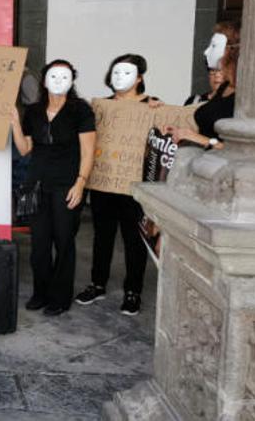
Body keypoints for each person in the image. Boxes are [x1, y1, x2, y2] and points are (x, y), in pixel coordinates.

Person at [74, 54, 158, 316]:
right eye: (116, 72)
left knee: (134, 240)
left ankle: (133, 291)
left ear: (140, 78)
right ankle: (97, 283)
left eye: (127, 72)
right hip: (103, 182)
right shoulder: (99, 107)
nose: (120, 77)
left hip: (134, 187)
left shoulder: (152, 107)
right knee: (102, 237)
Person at [11, 59, 96, 316]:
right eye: (53, 76)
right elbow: (25, 149)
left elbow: (88, 151)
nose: (58, 81)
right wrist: (15, 121)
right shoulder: (34, 111)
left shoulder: (81, 110)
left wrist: (80, 183)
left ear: (72, 80)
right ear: (44, 80)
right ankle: (41, 293)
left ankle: (60, 297)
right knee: (39, 243)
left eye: (65, 76)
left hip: (67, 184)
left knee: (64, 240)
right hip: (37, 183)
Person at [167, 21, 240, 151]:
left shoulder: (246, 96)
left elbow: (245, 152)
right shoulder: (224, 87)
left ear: (232, 51)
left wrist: (198, 138)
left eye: (214, 46)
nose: (206, 52)